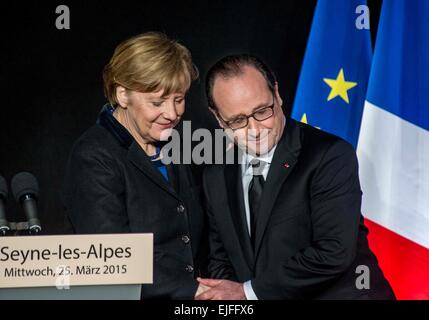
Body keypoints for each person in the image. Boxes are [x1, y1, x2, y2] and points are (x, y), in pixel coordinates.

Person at [196, 54, 395, 300]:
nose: (255, 130)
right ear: (217, 117)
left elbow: (333, 252)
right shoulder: (215, 175)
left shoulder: (329, 156)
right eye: (237, 120)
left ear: (277, 94)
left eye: (262, 111)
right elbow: (220, 258)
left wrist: (247, 293)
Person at [62, 32, 208, 299]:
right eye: (157, 102)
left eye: (179, 99)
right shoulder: (93, 156)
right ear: (123, 94)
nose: (173, 114)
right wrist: (196, 292)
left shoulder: (175, 143)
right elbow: (111, 258)